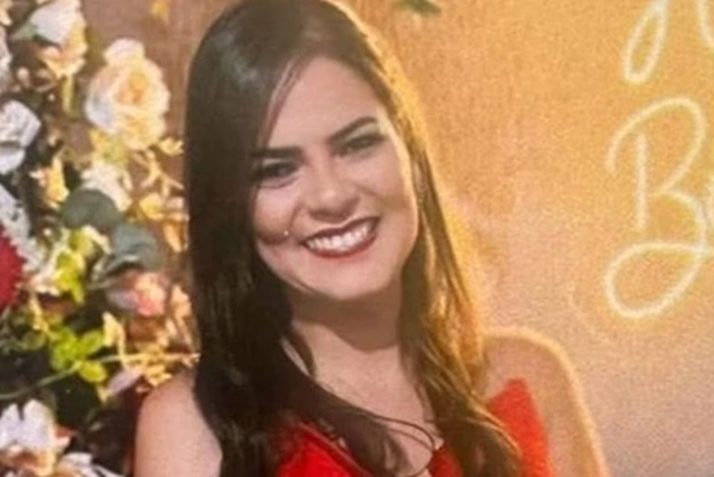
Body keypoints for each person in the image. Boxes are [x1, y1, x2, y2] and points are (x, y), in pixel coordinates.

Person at [134, 0, 610, 476]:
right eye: (277, 170)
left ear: (408, 148)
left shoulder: (528, 379)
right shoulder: (191, 425)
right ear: (230, 203)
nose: (331, 195)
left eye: (357, 144)